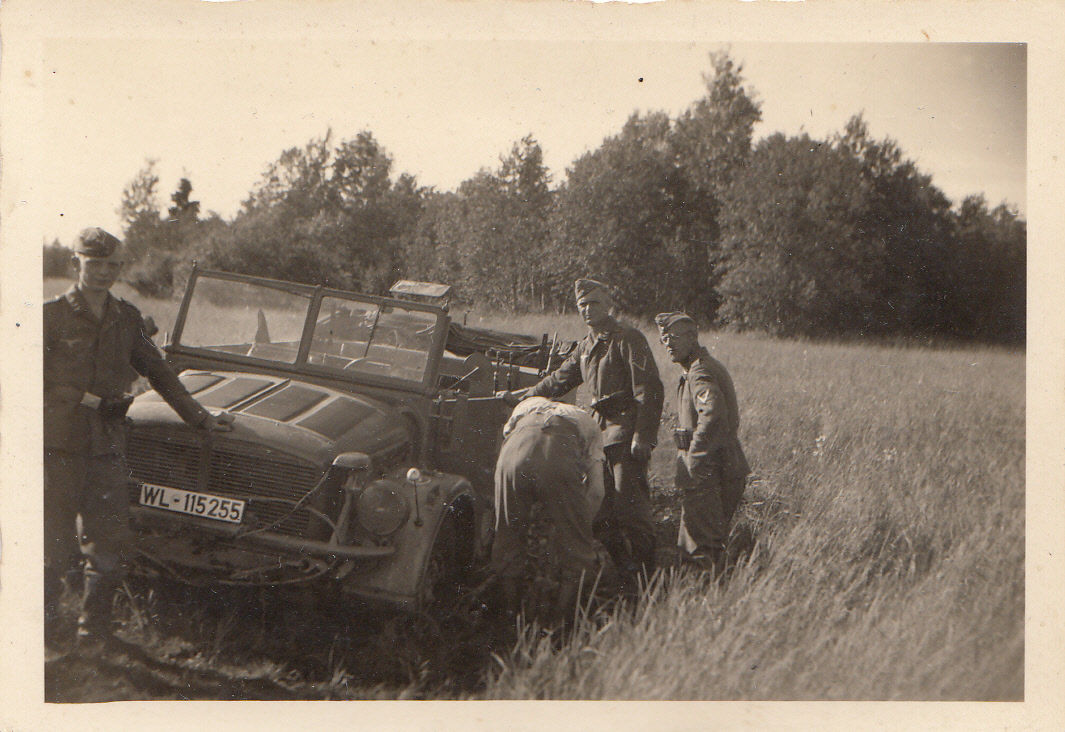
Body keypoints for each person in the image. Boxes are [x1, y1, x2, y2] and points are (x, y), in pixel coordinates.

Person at [43, 227, 232, 649]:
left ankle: (94, 632)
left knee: (109, 545)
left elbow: (159, 371)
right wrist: (80, 399)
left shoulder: (126, 318)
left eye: (112, 265)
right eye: (94, 263)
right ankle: (46, 633)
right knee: (51, 545)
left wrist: (200, 418)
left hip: (107, 446)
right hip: (57, 445)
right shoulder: (49, 315)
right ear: (75, 264)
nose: (103, 272)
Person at [500, 278, 663, 586]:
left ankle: (648, 580)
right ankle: (626, 571)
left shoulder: (628, 338)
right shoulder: (587, 344)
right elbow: (560, 379)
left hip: (625, 433)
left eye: (594, 303)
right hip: (599, 434)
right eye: (582, 305)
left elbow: (649, 389)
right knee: (598, 511)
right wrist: (525, 396)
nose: (588, 310)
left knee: (631, 509)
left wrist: (643, 436)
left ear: (608, 304)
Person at [490, 397, 608, 624]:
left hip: (512, 456)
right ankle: (559, 622)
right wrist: (576, 526)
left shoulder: (526, 406)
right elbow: (596, 492)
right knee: (577, 552)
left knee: (507, 537)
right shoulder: (588, 423)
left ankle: (510, 617)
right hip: (558, 458)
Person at [654, 312, 750, 574]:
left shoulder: (700, 371)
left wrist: (694, 460)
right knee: (706, 546)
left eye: (674, 337)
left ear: (692, 337)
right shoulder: (699, 367)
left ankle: (700, 593)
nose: (668, 344)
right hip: (718, 468)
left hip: (708, 472)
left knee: (699, 551)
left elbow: (713, 415)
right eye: (664, 339)